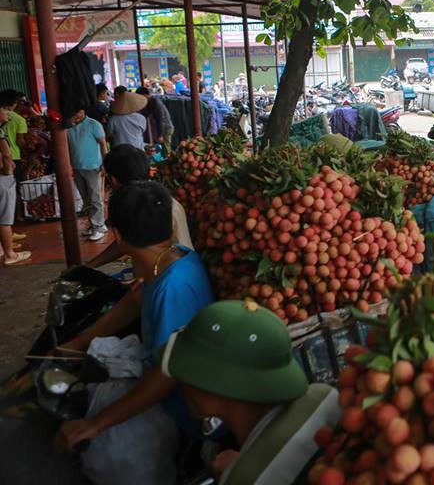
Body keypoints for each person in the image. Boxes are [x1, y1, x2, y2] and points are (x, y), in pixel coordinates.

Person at [58, 183, 214, 468]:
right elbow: (136, 298)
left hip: (180, 412)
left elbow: (167, 376)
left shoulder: (172, 289)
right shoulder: (174, 256)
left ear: (117, 235)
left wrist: (96, 424)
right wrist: (78, 342)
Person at [158, 300, 342, 484]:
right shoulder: (323, 395)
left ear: (215, 389)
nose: (182, 385)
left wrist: (236, 473)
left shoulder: (243, 479)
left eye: (188, 374)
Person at [87, 146, 193, 269]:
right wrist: (89, 266)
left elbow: (125, 243)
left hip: (170, 273)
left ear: (113, 179)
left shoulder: (146, 206)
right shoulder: (154, 198)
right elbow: (126, 242)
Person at [66, 108, 108, 242]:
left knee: (95, 198)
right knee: (87, 198)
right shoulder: (69, 126)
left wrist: (105, 162)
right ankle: (95, 224)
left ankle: (99, 227)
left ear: (82, 111)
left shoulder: (93, 124)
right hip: (78, 167)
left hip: (93, 166)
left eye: (77, 112)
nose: (75, 115)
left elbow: (103, 143)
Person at [0, 105, 29, 264]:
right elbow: (5, 154)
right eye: (3, 111)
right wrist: (8, 171)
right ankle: (10, 255)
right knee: (4, 218)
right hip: (2, 177)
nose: (7, 114)